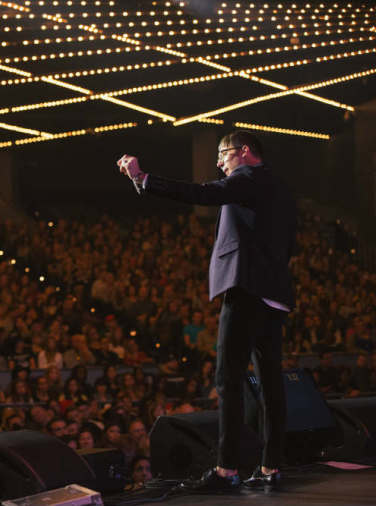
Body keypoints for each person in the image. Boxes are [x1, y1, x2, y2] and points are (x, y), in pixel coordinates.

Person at [118, 130, 296, 493]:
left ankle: (227, 470)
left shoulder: (246, 178)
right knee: (270, 382)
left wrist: (143, 179)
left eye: (223, 154)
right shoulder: (278, 185)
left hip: (246, 288)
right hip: (273, 293)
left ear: (244, 152)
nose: (219, 162)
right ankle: (271, 466)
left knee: (228, 379)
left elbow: (204, 193)